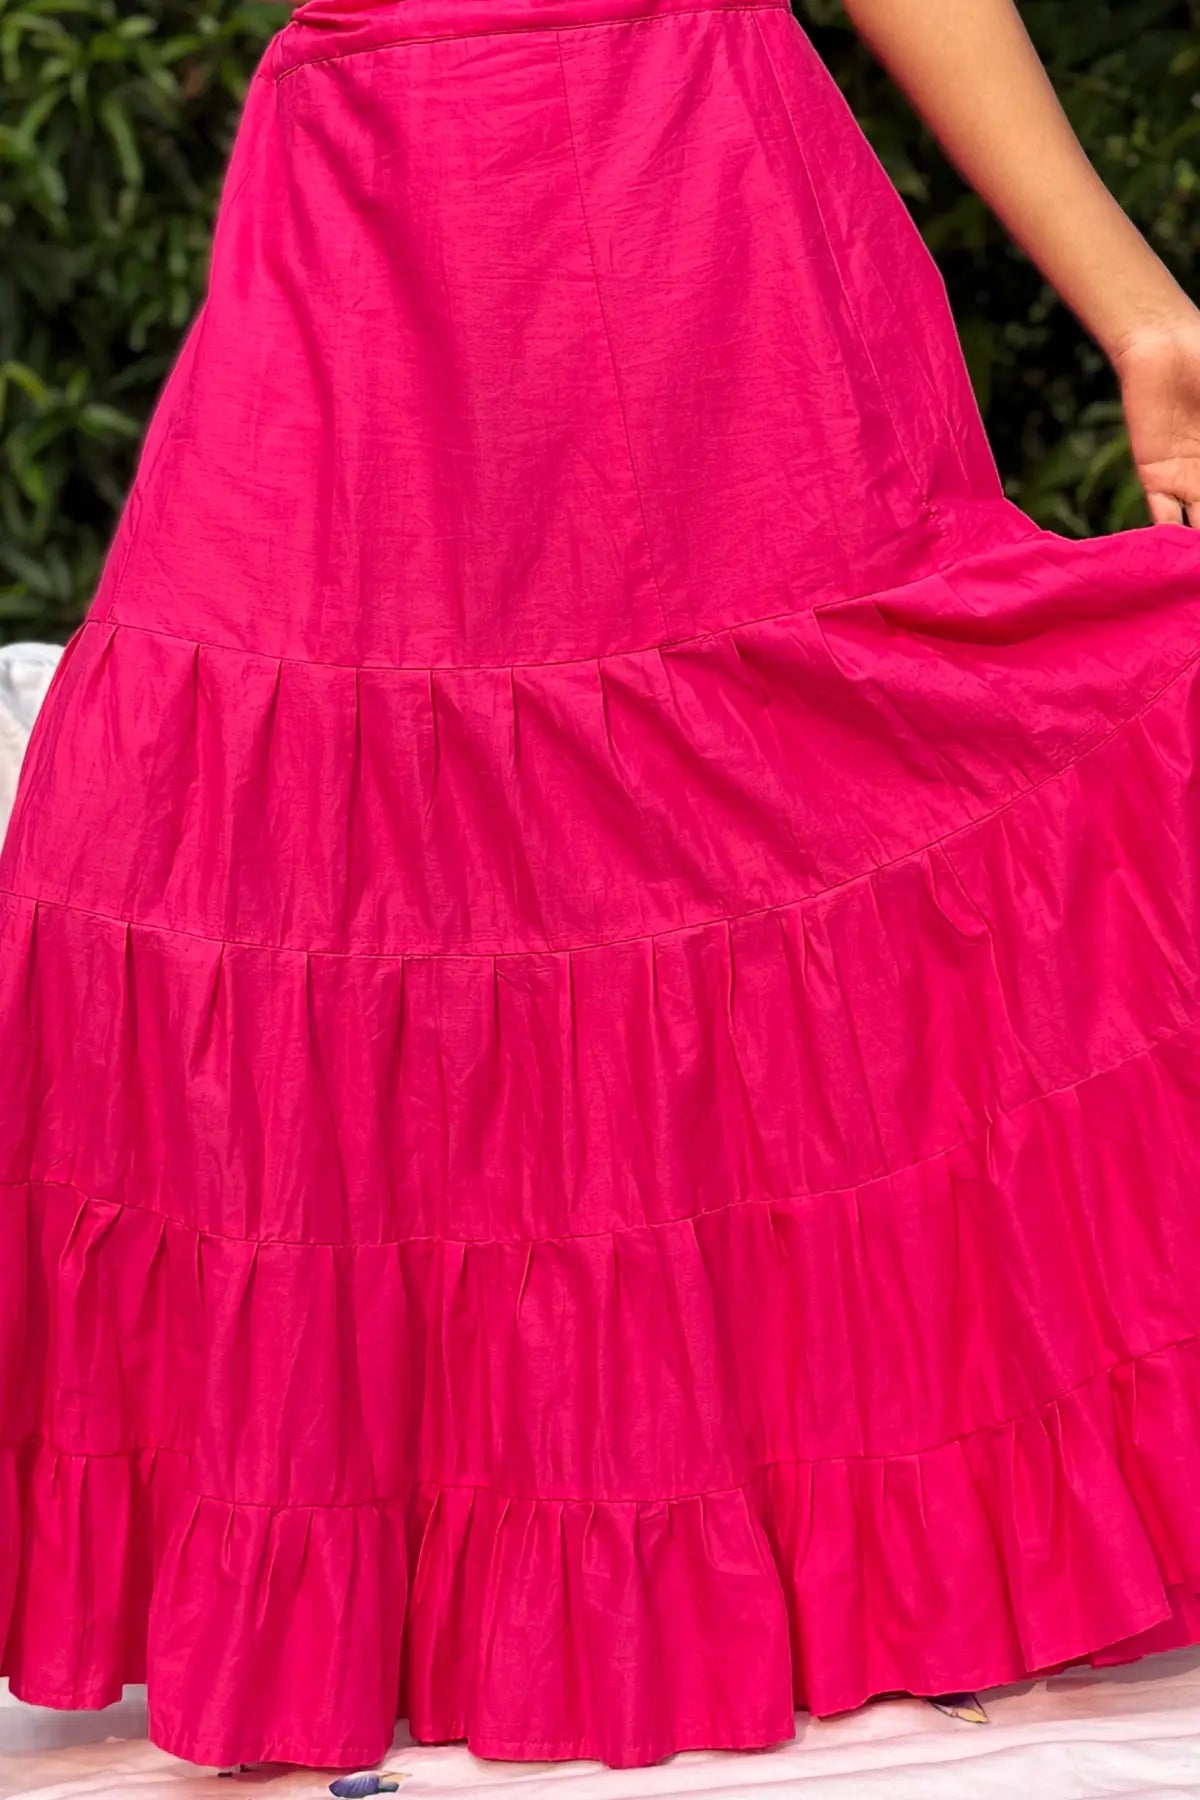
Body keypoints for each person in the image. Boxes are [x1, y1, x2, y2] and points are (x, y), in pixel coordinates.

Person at [1, 0, 1198, 1774]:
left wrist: (1145, 313)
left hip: (688, 191)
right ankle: (431, 1577)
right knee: (207, 849)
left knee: (799, 802)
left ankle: (882, 1553)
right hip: (365, 207)